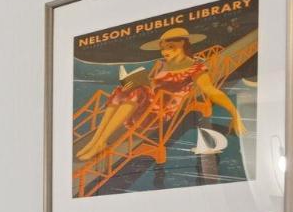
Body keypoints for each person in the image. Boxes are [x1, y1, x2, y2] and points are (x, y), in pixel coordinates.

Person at [76, 26, 245, 161]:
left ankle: (99, 142)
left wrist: (234, 114)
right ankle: (96, 141)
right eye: (163, 48)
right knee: (123, 90)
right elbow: (153, 85)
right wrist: (140, 81)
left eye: (171, 47)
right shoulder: (163, 64)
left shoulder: (196, 67)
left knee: (136, 91)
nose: (165, 52)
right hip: (146, 106)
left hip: (159, 114)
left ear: (184, 45)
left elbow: (211, 91)